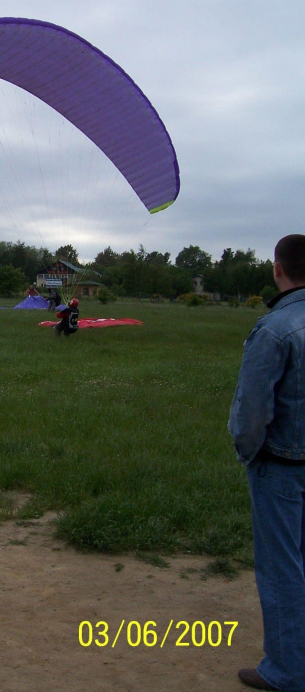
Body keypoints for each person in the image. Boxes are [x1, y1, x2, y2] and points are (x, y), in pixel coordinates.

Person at [228, 234, 305, 692]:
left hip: (280, 467)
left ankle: (287, 671)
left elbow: (251, 413)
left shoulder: (275, 329)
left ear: (278, 269)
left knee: (282, 567)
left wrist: (248, 452)